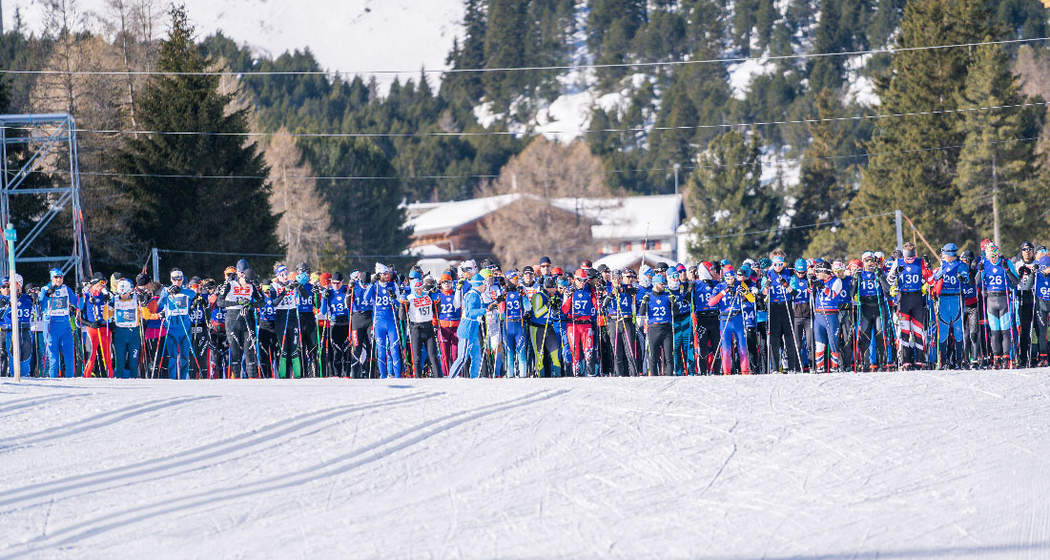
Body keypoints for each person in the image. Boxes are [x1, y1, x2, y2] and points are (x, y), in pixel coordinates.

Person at [888, 243, 929, 370]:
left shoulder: (920, 262)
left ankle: (920, 360)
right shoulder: (898, 262)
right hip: (903, 299)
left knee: (918, 331)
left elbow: (927, 279)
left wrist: (925, 282)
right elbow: (889, 281)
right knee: (905, 331)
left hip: (916, 298)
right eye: (907, 259)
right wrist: (895, 273)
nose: (910, 261)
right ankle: (906, 360)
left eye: (912, 258)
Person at [977, 243, 1019, 369]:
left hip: (1003, 298)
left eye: (995, 256)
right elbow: (977, 281)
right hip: (991, 299)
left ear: (998, 254)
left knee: (1005, 331)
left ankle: (1006, 358)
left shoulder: (1006, 262)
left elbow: (1016, 281)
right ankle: (996, 358)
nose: (993, 259)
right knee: (994, 332)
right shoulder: (985, 263)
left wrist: (1007, 270)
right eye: (991, 257)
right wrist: (980, 271)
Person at [707, 265, 753, 375]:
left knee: (742, 348)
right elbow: (711, 303)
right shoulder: (719, 287)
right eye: (727, 278)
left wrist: (745, 292)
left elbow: (752, 299)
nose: (730, 281)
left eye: (732, 278)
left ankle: (744, 371)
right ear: (724, 278)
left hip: (738, 319)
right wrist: (724, 292)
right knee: (726, 350)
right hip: (725, 320)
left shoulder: (740, 284)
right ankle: (726, 372)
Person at [219, 266, 263, 378]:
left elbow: (262, 302)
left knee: (249, 352)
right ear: (242, 276)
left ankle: (252, 378)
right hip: (232, 320)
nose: (247, 285)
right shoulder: (230, 284)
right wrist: (235, 303)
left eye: (250, 283)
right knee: (235, 352)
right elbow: (220, 302)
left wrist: (251, 304)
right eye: (247, 282)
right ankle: (236, 378)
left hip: (246, 320)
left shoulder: (252, 286)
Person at [363, 263, 403, 379]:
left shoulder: (392, 285)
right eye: (385, 274)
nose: (387, 276)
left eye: (388, 274)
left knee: (394, 350)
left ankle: (397, 377)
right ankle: (383, 376)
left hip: (391, 320)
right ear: (379, 275)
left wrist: (394, 298)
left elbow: (399, 304)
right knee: (381, 351)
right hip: (378, 321)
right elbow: (366, 298)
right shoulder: (374, 286)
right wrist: (371, 283)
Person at [932, 243, 968, 369]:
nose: (943, 256)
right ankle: (943, 361)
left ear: (950, 254)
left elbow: (967, 279)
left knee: (958, 331)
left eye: (944, 253)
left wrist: (962, 278)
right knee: (943, 332)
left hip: (956, 298)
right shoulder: (942, 266)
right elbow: (934, 278)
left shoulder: (961, 265)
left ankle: (959, 360)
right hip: (943, 299)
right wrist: (937, 273)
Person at [763, 252, 800, 373]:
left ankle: (791, 367)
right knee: (774, 340)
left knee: (789, 338)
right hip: (774, 307)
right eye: (775, 264)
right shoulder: (767, 274)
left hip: (786, 307)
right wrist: (767, 287)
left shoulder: (789, 273)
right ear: (772, 264)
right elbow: (763, 294)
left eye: (780, 264)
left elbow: (794, 292)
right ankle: (775, 368)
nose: (778, 267)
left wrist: (786, 284)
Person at [157, 268, 196, 379]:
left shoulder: (186, 290)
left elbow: (193, 294)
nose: (177, 281)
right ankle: (173, 380)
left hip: (185, 326)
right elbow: (160, 304)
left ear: (182, 279)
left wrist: (180, 291)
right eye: (175, 279)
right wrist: (168, 293)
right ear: (171, 279)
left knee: (184, 357)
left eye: (179, 278)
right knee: (172, 356)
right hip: (172, 327)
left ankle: (183, 379)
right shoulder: (166, 290)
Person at [39, 268, 77, 378]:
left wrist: (78, 295)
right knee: (54, 358)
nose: (59, 279)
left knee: (69, 357)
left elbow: (79, 305)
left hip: (65, 325)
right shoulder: (45, 288)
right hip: (51, 325)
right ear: (51, 278)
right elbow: (40, 303)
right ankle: (53, 381)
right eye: (56, 277)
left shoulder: (66, 289)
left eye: (61, 277)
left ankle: (71, 381)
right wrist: (46, 295)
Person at [401, 279, 441, 378]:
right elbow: (402, 317)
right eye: (417, 289)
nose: (419, 291)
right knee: (417, 357)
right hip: (416, 329)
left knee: (433, 356)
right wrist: (402, 305)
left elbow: (437, 311)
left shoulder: (427, 295)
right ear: (413, 289)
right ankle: (417, 379)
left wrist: (437, 301)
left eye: (420, 288)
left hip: (428, 328)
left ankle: (439, 378)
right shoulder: (409, 298)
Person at [449, 273, 487, 378]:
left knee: (477, 357)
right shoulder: (473, 295)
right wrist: (486, 310)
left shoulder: (478, 295)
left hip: (473, 329)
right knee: (462, 358)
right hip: (467, 329)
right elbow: (470, 312)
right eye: (484, 284)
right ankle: (450, 379)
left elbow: (482, 307)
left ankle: (474, 378)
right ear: (478, 284)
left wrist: (495, 303)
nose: (485, 286)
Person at [604, 268, 639, 377]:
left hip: (626, 320)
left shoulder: (626, 287)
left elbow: (634, 291)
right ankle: (619, 373)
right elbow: (604, 304)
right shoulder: (608, 288)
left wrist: (622, 291)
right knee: (616, 350)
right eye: (614, 278)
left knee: (629, 350)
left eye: (619, 278)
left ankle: (633, 373)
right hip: (614, 321)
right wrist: (610, 295)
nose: (617, 280)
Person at [811, 262, 844, 373]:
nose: (817, 274)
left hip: (831, 315)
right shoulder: (818, 281)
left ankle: (834, 367)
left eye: (818, 272)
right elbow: (809, 291)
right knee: (819, 344)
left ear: (825, 272)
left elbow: (833, 295)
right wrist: (810, 282)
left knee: (833, 343)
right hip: (819, 316)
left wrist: (823, 287)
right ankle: (819, 367)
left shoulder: (836, 281)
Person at [80, 272, 113, 378]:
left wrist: (112, 323)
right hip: (92, 330)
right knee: (91, 356)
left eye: (105, 283)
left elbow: (113, 311)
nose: (103, 285)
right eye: (101, 282)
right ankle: (86, 377)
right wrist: (91, 324)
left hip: (104, 328)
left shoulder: (106, 295)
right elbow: (79, 319)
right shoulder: (86, 295)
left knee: (108, 356)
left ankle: (110, 378)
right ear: (94, 283)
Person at [110, 278, 145, 379]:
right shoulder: (115, 299)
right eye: (120, 293)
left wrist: (143, 303)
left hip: (133, 333)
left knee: (133, 362)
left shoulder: (136, 298)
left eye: (125, 293)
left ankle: (134, 381)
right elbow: (106, 316)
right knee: (120, 361)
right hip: (120, 333)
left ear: (130, 291)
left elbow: (146, 316)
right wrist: (108, 305)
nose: (123, 296)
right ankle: (118, 382)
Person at [529, 276, 563, 378]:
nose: (556, 289)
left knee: (555, 353)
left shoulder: (553, 296)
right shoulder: (538, 296)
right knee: (540, 355)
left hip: (549, 327)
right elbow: (537, 313)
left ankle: (558, 376)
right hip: (537, 328)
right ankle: (540, 377)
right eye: (554, 287)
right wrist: (547, 305)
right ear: (549, 287)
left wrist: (556, 307)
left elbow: (555, 314)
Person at [640, 273, 673, 376]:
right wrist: (644, 303)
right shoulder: (648, 296)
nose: (664, 285)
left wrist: (674, 302)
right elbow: (641, 312)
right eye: (662, 283)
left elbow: (675, 312)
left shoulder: (667, 295)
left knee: (668, 356)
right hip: (654, 328)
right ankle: (654, 377)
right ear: (655, 283)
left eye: (664, 283)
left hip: (666, 327)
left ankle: (669, 376)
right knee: (653, 357)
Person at [0, 274, 33, 377]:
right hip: (12, 331)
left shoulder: (27, 298)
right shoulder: (5, 299)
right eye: (10, 285)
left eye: (15, 284)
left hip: (26, 331)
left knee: (26, 357)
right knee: (12, 358)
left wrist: (36, 298)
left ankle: (25, 377)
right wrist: (9, 305)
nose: (11, 287)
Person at [320, 272, 352, 377]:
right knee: (337, 352)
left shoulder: (346, 290)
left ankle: (347, 373)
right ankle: (338, 374)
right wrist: (324, 298)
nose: (335, 285)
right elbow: (323, 311)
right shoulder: (329, 292)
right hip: (335, 325)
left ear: (342, 282)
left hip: (346, 324)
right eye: (333, 283)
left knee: (347, 350)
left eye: (337, 283)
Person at [1014, 241, 1038, 366]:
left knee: (1038, 329)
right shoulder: (1017, 264)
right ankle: (1023, 358)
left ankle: (1037, 356)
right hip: (1022, 298)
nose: (1027, 251)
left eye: (1029, 249)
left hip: (1035, 298)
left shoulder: (1037, 263)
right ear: (1021, 251)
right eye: (1024, 249)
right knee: (1024, 330)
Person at [1023, 254, 1050, 367]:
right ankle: (1043, 356)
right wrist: (1032, 275)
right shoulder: (1037, 275)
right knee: (1042, 332)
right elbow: (1027, 287)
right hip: (1040, 305)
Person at [502, 269, 529, 378]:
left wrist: (523, 295)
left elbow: (528, 307)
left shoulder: (521, 289)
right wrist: (502, 296)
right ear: (508, 280)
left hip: (519, 324)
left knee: (521, 352)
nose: (516, 280)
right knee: (509, 352)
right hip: (508, 325)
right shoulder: (504, 291)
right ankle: (510, 375)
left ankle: (522, 375)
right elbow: (500, 310)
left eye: (517, 278)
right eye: (514, 279)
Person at [666, 268, 694, 375]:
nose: (676, 278)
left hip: (686, 318)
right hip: (675, 320)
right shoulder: (667, 289)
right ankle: (678, 371)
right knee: (676, 347)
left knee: (688, 345)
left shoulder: (682, 286)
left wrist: (689, 290)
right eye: (673, 276)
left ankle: (691, 371)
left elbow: (692, 283)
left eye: (676, 276)